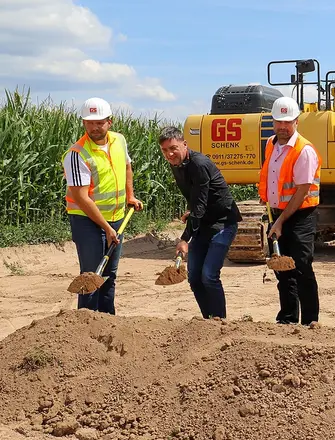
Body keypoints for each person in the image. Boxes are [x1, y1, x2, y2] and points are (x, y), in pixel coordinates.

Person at [62, 97, 143, 314]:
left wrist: (130, 196)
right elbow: (81, 198)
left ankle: (108, 321)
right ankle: (86, 325)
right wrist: (107, 229)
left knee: (109, 275)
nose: (94, 127)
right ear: (83, 123)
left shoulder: (119, 140)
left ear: (110, 122)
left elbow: (127, 167)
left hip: (116, 217)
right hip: (86, 220)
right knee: (91, 276)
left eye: (99, 122)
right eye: (89, 122)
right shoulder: (76, 154)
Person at [159, 126, 243, 319]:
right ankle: (207, 321)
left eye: (173, 148)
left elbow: (200, 203)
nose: (169, 154)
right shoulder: (176, 164)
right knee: (195, 278)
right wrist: (192, 213)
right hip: (203, 223)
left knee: (209, 276)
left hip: (223, 223)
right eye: (165, 150)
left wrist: (184, 238)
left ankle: (219, 322)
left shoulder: (199, 164)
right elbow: (196, 199)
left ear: (184, 144)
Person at [259, 96, 321, 325]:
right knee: (281, 267)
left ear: (297, 121)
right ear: (273, 122)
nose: (283, 127)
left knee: (302, 268)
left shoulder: (304, 150)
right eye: (279, 122)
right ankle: (287, 318)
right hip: (277, 213)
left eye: (288, 122)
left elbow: (301, 191)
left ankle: (310, 321)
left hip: (300, 215)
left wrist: (280, 222)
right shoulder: (270, 144)